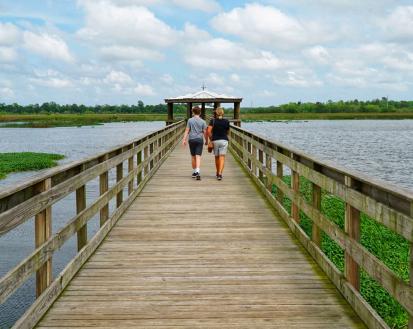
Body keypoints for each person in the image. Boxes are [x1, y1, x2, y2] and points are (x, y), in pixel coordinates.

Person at [182, 106, 207, 180]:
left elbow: (187, 130)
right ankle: (198, 172)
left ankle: (194, 171)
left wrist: (184, 139)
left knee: (193, 156)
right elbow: (205, 132)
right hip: (199, 139)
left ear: (193, 112)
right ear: (200, 112)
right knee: (198, 156)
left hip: (192, 139)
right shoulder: (203, 121)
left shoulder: (190, 120)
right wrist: (206, 140)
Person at [207, 107, 230, 181]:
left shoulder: (212, 121)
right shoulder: (226, 121)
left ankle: (217, 172)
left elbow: (208, 131)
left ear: (216, 113)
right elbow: (228, 131)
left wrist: (211, 139)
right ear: (222, 113)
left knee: (217, 157)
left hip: (215, 141)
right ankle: (220, 173)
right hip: (224, 140)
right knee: (222, 157)